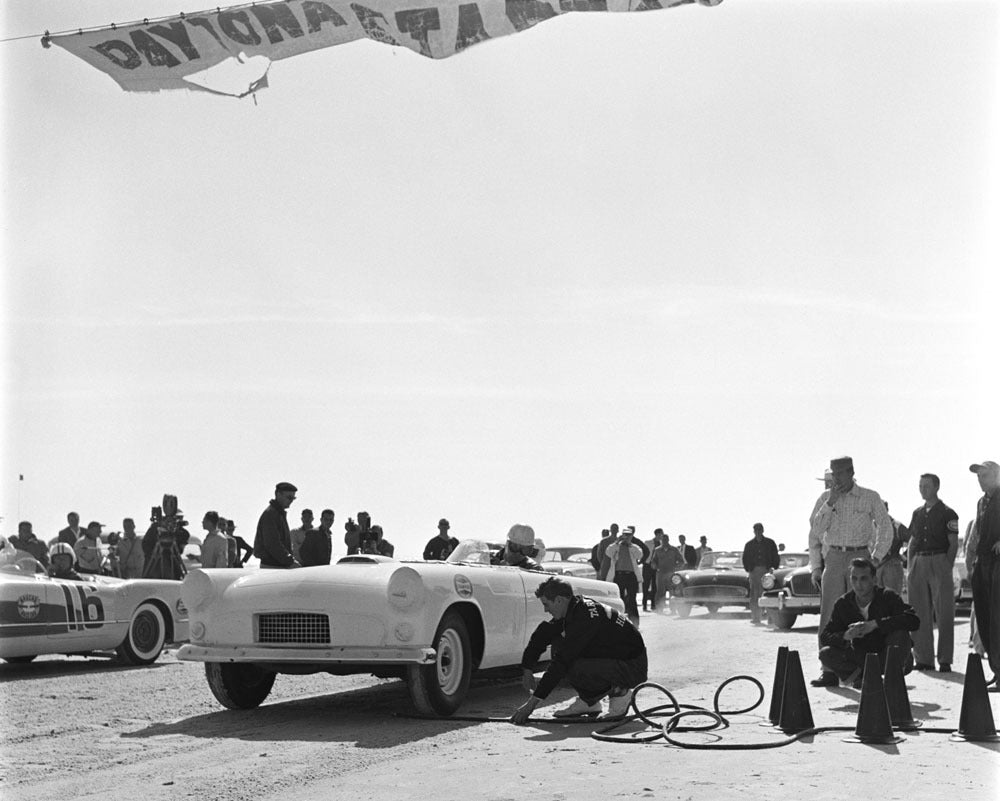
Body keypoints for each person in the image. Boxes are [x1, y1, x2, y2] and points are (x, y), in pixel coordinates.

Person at [510, 576, 647, 724]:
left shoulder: (585, 617)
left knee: (568, 662)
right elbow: (542, 635)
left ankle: (620, 693)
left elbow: (561, 661)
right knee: (559, 643)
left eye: (546, 604)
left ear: (559, 600)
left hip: (632, 667)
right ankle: (589, 702)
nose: (545, 610)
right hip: (619, 660)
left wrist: (531, 705)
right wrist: (527, 669)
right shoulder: (574, 609)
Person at [808, 455, 893, 687]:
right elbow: (816, 530)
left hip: (860, 556)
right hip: (834, 557)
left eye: (840, 474)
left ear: (851, 472)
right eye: (833, 475)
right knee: (829, 615)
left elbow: (885, 527)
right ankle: (829, 671)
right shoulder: (825, 499)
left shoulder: (869, 496)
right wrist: (831, 502)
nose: (836, 479)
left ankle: (862, 670)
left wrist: (875, 557)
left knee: (862, 613)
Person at [817, 558, 918, 688]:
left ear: (874, 580)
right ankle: (862, 679)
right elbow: (825, 636)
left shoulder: (888, 597)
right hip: (861, 657)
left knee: (901, 634)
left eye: (863, 579)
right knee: (826, 653)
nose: (858, 584)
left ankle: (892, 679)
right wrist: (845, 635)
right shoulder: (843, 603)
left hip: (887, 654)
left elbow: (912, 620)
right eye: (854, 579)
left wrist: (875, 624)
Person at [906, 473, 959, 672]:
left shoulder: (948, 513)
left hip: (939, 560)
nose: (922, 489)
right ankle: (924, 659)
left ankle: (945, 659)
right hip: (919, 561)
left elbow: (953, 542)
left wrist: (947, 565)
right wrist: (911, 566)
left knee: (944, 612)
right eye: (920, 486)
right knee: (918, 612)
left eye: (926, 486)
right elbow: (912, 541)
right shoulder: (917, 513)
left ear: (936, 487)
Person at [969, 460, 1000, 684]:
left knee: (997, 618)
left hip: (998, 562)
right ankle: (997, 671)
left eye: (985, 475)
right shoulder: (982, 502)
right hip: (983, 563)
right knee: (985, 616)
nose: (981, 480)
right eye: (979, 476)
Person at [253, 482, 300, 569]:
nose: (291, 501)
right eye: (289, 497)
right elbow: (273, 544)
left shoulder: (277, 514)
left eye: (293, 498)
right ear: (278, 494)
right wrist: (290, 561)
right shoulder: (271, 514)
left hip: (277, 565)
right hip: (273, 566)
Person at [603, 526, 643, 627]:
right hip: (619, 575)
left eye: (629, 535)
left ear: (632, 536)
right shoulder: (616, 546)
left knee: (632, 599)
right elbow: (608, 552)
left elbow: (640, 555)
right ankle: (618, 622)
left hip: (631, 576)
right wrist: (617, 542)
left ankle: (634, 623)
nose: (626, 537)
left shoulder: (634, 547)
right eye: (625, 535)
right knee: (618, 599)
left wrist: (629, 544)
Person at [742, 523, 779, 625]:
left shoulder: (770, 543)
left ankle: (771, 618)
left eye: (760, 530)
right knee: (754, 595)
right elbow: (745, 558)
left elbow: (775, 556)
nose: (758, 532)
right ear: (754, 531)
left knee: (768, 594)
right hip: (754, 572)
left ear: (763, 530)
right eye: (756, 530)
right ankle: (755, 617)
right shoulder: (749, 545)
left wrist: (774, 568)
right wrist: (749, 569)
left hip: (766, 571)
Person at [876, 502, 910, 594]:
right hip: (875, 567)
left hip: (892, 565)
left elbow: (913, 541)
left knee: (892, 600)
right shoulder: (871, 526)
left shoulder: (897, 526)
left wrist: (904, 557)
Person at [650, 533, 684, 613]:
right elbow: (653, 561)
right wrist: (654, 566)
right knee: (660, 592)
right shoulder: (657, 550)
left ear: (668, 540)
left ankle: (673, 610)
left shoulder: (674, 549)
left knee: (673, 592)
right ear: (661, 540)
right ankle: (660, 609)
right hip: (660, 574)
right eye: (663, 540)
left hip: (671, 574)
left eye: (666, 539)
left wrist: (676, 567)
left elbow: (681, 561)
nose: (664, 541)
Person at [642, 529, 662, 611]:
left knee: (655, 586)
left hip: (656, 567)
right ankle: (644, 605)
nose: (662, 536)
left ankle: (653, 604)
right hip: (647, 566)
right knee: (645, 586)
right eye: (661, 534)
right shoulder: (648, 542)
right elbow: (643, 552)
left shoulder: (661, 544)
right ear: (657, 534)